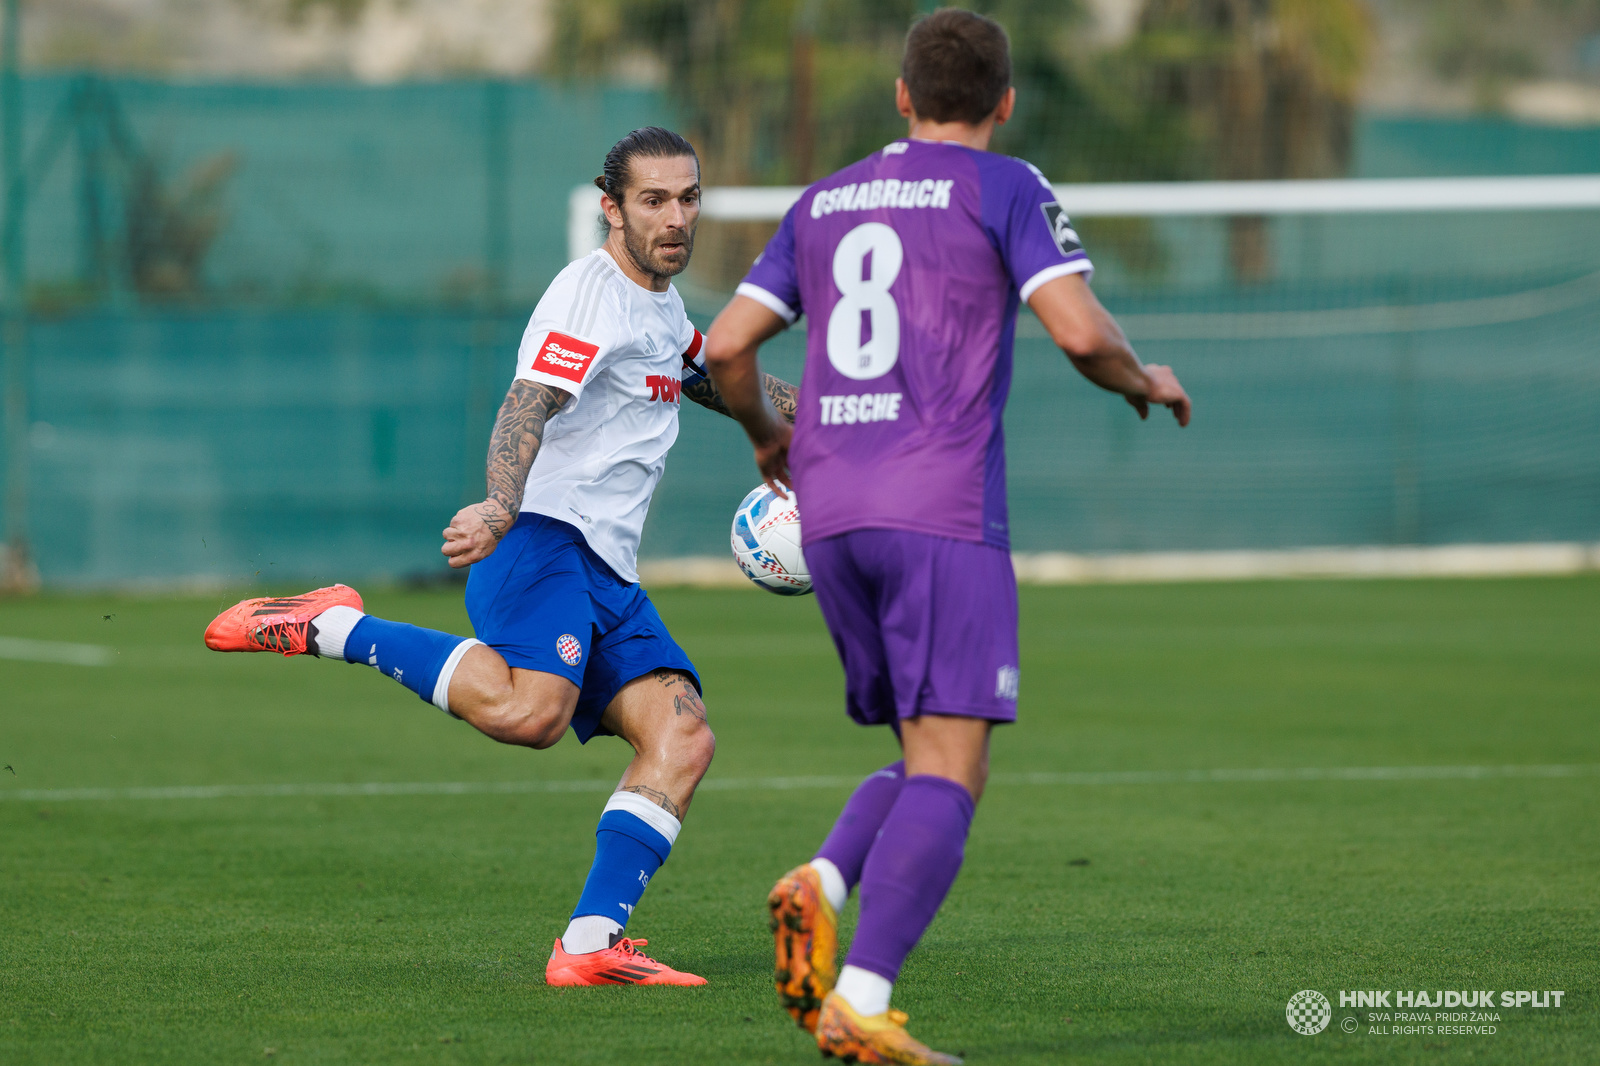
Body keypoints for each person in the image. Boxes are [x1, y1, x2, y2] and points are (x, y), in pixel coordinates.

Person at [704, 10, 1191, 1063]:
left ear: (900, 95)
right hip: (942, 512)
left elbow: (727, 345)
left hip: (830, 513)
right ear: (1005, 101)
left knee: (932, 762)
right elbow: (1076, 329)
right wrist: (1139, 376)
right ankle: (862, 1000)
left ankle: (825, 880)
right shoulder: (1006, 186)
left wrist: (765, 436)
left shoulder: (824, 198)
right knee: (953, 763)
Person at [203, 126, 798, 988]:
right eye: (653, 200)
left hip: (606, 569)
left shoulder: (661, 308)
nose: (677, 218)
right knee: (532, 715)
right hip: (542, 539)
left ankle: (588, 946)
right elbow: (531, 400)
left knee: (682, 736)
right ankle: (336, 626)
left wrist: (831, 421)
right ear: (611, 208)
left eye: (688, 197)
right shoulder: (588, 295)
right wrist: (499, 504)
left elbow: (718, 379)